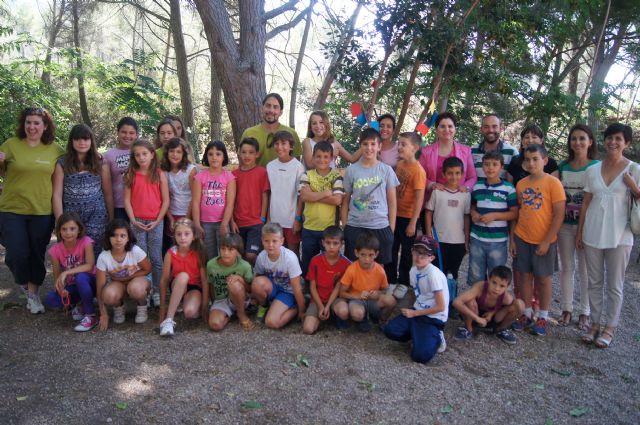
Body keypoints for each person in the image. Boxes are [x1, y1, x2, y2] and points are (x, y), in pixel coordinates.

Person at [577, 123, 639, 348]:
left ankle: (610, 327)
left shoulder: (634, 169)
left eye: (619, 139)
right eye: (610, 137)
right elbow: (585, 202)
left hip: (620, 234)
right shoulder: (592, 170)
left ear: (627, 143)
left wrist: (634, 187)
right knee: (594, 281)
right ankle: (594, 323)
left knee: (615, 284)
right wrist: (580, 231)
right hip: (592, 231)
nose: (613, 142)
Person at [0, 107, 64, 314]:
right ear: (23, 124)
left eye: (36, 123)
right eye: (28, 122)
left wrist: (97, 159)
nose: (32, 127)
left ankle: (33, 295)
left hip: (41, 211)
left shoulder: (54, 149)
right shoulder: (11, 145)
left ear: (45, 126)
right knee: (17, 252)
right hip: (12, 208)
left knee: (36, 254)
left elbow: (73, 161)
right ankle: (22, 281)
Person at [511, 144, 565, 336]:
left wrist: (547, 240)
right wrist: (513, 239)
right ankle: (525, 313)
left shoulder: (553, 183)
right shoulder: (521, 184)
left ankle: (542, 316)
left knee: (543, 279)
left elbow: (559, 215)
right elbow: (518, 213)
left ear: (545, 160)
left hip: (544, 239)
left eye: (535, 159)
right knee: (524, 276)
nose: (531, 163)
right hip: (522, 237)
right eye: (528, 159)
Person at [556, 124, 598, 330]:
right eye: (574, 138)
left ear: (590, 141)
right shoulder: (563, 167)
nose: (578, 142)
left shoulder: (597, 167)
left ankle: (585, 312)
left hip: (588, 226)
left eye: (582, 138)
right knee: (566, 268)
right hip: (565, 225)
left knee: (585, 269)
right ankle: (566, 308)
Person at [382, 236, 448, 363]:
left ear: (431, 258)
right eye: (416, 252)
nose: (419, 257)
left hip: (433, 318)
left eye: (424, 254)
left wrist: (414, 313)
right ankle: (418, 336)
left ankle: (437, 336)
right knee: (390, 330)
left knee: (420, 357)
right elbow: (417, 293)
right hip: (417, 312)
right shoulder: (413, 270)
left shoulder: (433, 275)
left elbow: (441, 307)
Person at [341, 128, 399, 267]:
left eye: (373, 144)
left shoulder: (386, 170)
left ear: (379, 146)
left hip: (380, 225)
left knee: (378, 268)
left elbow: (392, 202)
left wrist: (391, 228)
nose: (369, 148)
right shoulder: (351, 170)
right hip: (355, 225)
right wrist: (345, 226)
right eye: (365, 144)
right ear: (360, 146)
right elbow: (345, 200)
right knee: (354, 267)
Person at [53, 124, 113, 256]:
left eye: (86, 139)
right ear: (71, 141)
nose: (82, 143)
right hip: (70, 214)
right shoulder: (62, 163)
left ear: (91, 141)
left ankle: (94, 277)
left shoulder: (100, 162)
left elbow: (108, 193)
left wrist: (111, 218)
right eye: (77, 139)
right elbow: (57, 194)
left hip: (97, 214)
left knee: (93, 250)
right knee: (72, 252)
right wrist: (60, 221)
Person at [124, 139, 170, 307]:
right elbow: (127, 201)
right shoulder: (130, 174)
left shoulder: (159, 174)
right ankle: (145, 289)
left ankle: (157, 290)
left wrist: (158, 220)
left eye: (144, 154)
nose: (141, 158)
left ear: (152, 154)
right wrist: (133, 220)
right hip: (137, 223)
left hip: (156, 222)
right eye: (137, 155)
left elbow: (166, 200)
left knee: (156, 257)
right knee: (141, 258)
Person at [467, 151, 518, 285]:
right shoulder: (477, 186)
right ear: (482, 167)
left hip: (498, 241)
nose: (490, 168)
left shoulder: (509, 188)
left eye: (494, 164)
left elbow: (514, 213)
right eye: (487, 164)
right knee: (476, 274)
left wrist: (495, 216)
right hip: (477, 238)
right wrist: (474, 213)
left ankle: (493, 304)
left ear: (501, 167)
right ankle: (477, 303)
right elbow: (472, 206)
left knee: (496, 275)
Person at [386, 132, 426, 297]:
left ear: (415, 148)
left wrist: (413, 223)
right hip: (395, 214)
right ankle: (391, 280)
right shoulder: (401, 164)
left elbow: (419, 199)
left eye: (403, 144)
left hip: (409, 218)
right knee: (392, 248)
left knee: (407, 251)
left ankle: (403, 282)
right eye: (399, 144)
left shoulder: (418, 171)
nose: (399, 147)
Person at [44, 212, 97, 332]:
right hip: (73, 286)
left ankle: (90, 316)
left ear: (79, 229)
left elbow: (90, 266)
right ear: (59, 231)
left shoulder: (86, 242)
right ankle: (80, 303)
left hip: (91, 282)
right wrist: (61, 290)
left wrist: (66, 273)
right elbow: (57, 277)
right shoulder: (55, 251)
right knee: (51, 299)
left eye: (72, 228)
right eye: (64, 229)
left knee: (81, 277)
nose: (68, 233)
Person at [333, 232, 397, 331]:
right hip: (356, 300)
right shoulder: (351, 269)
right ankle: (362, 319)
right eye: (363, 254)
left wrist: (378, 293)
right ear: (356, 253)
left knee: (391, 300)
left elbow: (385, 290)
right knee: (357, 314)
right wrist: (358, 296)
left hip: (373, 300)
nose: (366, 259)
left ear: (376, 254)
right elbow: (342, 293)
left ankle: (382, 320)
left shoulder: (380, 270)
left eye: (371, 255)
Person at [298, 141, 345, 276]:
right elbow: (304, 197)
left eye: (325, 157)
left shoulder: (336, 176)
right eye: (318, 156)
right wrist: (325, 193)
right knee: (308, 260)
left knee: (328, 261)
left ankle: (327, 286)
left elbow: (337, 200)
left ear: (331, 158)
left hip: (329, 229)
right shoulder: (307, 175)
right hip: (309, 227)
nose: (322, 160)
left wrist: (313, 194)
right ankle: (308, 288)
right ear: (312, 157)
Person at [96, 219, 152, 330]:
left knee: (136, 289)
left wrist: (129, 277)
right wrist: (103, 313)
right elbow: (100, 287)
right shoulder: (103, 257)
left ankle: (142, 305)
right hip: (118, 284)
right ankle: (119, 306)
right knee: (107, 295)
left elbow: (148, 269)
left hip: (137, 281)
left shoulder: (135, 251)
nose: (118, 239)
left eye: (122, 236)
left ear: (128, 238)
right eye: (114, 235)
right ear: (108, 237)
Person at [158, 218, 209, 336]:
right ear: (174, 237)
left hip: (194, 288)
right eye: (179, 234)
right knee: (183, 276)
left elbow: (204, 280)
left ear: (193, 236)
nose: (182, 237)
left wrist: (205, 305)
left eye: (187, 234)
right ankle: (168, 320)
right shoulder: (170, 253)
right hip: (178, 284)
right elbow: (164, 280)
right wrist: (162, 308)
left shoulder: (198, 252)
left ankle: (184, 304)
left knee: (190, 313)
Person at [250, 223, 305, 329]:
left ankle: (296, 308)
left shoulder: (290, 258)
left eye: (274, 241)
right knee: (257, 283)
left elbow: (296, 287)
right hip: (274, 288)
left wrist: (302, 311)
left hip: (288, 292)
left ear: (282, 241)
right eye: (267, 241)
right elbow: (258, 278)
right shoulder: (262, 257)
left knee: (272, 322)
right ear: (262, 241)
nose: (270, 245)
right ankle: (264, 306)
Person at [424, 157, 471, 280]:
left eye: (457, 173)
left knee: (453, 273)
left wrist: (466, 238)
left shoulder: (465, 194)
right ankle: (437, 298)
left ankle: (451, 298)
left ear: (462, 174)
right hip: (439, 240)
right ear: (444, 174)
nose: (453, 177)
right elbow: (428, 212)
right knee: (437, 272)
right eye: (450, 173)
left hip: (458, 241)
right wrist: (429, 234)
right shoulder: (437, 192)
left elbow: (466, 217)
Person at [453, 266, 523, 345]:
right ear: (489, 279)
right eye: (494, 283)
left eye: (502, 286)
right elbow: (456, 302)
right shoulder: (479, 287)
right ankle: (468, 329)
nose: (497, 288)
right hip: (474, 314)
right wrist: (477, 318)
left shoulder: (507, 298)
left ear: (507, 286)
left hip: (493, 319)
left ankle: (501, 330)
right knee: (469, 300)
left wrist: (492, 313)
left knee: (519, 304)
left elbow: (510, 308)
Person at [192, 141, 236, 260]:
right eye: (210, 154)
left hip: (222, 222)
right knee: (209, 254)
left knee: (224, 254)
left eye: (218, 154)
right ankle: (211, 278)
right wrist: (196, 223)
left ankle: (223, 278)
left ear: (224, 157)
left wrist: (225, 223)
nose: (214, 157)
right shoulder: (200, 176)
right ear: (206, 156)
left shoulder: (229, 177)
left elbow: (230, 203)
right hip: (205, 223)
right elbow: (195, 202)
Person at [303, 226, 351, 334]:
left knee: (343, 312)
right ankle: (321, 316)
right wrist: (320, 307)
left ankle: (334, 315)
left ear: (341, 244)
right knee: (308, 329)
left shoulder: (346, 264)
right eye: (328, 243)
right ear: (323, 243)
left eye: (335, 243)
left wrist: (328, 306)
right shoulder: (315, 260)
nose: (331, 247)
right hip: (317, 299)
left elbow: (338, 288)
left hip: (335, 300)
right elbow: (312, 286)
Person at [231, 137, 270, 265]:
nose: (247, 155)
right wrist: (232, 221)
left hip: (255, 222)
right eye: (244, 152)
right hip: (238, 223)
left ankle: (255, 280)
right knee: (238, 256)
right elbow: (230, 200)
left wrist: (262, 219)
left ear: (257, 154)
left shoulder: (262, 172)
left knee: (251, 255)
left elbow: (265, 196)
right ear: (239, 152)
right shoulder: (233, 175)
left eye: (251, 152)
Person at [418, 112, 477, 193]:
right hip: (432, 199)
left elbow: (472, 177)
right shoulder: (426, 152)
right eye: (442, 126)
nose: (446, 130)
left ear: (455, 129)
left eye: (450, 126)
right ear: (436, 130)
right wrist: (432, 185)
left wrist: (465, 187)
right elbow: (419, 175)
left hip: (458, 198)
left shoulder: (466, 151)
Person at [266, 131, 305, 253]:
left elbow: (301, 196)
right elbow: (269, 193)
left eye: (284, 143)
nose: (280, 147)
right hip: (274, 220)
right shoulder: (270, 166)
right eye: (276, 143)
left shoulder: (298, 167)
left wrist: (297, 219)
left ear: (291, 146)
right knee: (275, 253)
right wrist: (268, 218)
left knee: (292, 253)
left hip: (291, 220)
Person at [206, 233, 255, 331]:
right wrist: (213, 301)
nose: (226, 253)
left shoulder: (245, 266)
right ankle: (231, 315)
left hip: (240, 297)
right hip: (221, 300)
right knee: (215, 325)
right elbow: (210, 284)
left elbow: (250, 289)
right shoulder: (211, 264)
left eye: (230, 249)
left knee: (233, 283)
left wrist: (240, 279)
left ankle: (241, 314)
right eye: (223, 249)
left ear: (238, 251)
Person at [241, 93, 302, 166]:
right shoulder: (249, 133)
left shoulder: (291, 133)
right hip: (256, 177)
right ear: (262, 108)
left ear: (281, 112)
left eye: (275, 107)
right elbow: (242, 164)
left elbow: (296, 163)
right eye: (268, 106)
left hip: (283, 177)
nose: (271, 110)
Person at [104, 117, 138, 221]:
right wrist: (111, 215)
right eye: (124, 132)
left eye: (131, 133)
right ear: (118, 133)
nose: (127, 136)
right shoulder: (109, 155)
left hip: (139, 205)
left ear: (136, 135)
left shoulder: (142, 152)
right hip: (118, 206)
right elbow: (107, 189)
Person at [161, 138, 197, 237]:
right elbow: (163, 197)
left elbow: (195, 197)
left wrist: (187, 218)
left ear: (184, 154)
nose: (175, 155)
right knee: (174, 245)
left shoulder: (190, 170)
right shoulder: (163, 171)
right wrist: (170, 218)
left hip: (189, 212)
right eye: (172, 151)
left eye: (178, 152)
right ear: (167, 153)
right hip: (171, 213)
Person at [471, 114, 518, 180]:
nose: (491, 130)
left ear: (500, 129)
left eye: (494, 126)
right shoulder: (471, 151)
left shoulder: (512, 153)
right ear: (481, 129)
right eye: (486, 127)